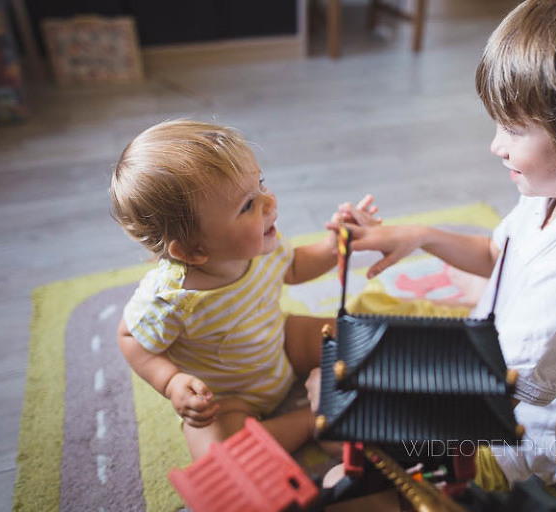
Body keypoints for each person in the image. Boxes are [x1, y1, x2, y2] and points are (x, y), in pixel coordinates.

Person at [334, 0, 556, 487]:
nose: (495, 145)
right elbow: (496, 256)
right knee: (354, 325)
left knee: (348, 471)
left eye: (514, 129)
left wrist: (371, 393)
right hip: (494, 354)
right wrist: (416, 236)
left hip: (507, 440)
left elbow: (494, 390)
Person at [110, 120, 378, 460]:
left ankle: (367, 380)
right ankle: (310, 420)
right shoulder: (170, 297)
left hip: (279, 344)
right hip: (225, 395)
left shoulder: (260, 246)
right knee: (221, 457)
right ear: (194, 252)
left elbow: (294, 267)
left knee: (354, 335)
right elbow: (130, 338)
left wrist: (333, 245)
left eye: (261, 186)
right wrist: (171, 382)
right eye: (248, 205)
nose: (269, 202)